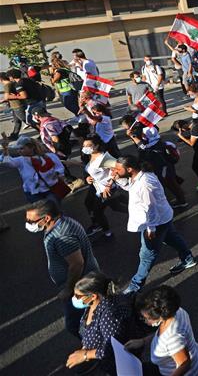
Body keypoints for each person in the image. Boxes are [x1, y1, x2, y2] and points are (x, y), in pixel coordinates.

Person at [113, 155, 196, 294]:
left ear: (130, 169)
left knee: (147, 255)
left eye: (117, 169)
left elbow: (150, 206)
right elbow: (132, 188)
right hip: (163, 218)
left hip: (156, 222)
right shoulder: (138, 177)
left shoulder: (145, 183)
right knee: (172, 238)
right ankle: (188, 259)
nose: (114, 171)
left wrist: (151, 228)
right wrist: (119, 180)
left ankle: (135, 286)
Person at [25, 198, 100, 337]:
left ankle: (93, 345)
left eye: (31, 221)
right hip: (83, 279)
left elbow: (77, 264)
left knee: (76, 324)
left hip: (80, 285)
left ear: (46, 218)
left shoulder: (61, 235)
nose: (28, 224)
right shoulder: (61, 223)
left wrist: (69, 289)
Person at [65, 272, 135, 374]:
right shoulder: (92, 305)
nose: (74, 299)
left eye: (77, 296)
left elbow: (114, 348)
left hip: (111, 366)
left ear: (93, 296)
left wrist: (85, 355)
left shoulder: (108, 316)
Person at [134, 285, 198, 376]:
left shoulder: (172, 338)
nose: (145, 321)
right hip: (196, 358)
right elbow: (161, 335)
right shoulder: (176, 312)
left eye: (146, 318)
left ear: (160, 316)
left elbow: (184, 364)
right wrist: (143, 341)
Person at [78, 134, 128, 237]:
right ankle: (99, 225)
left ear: (96, 146)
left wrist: (109, 185)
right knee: (91, 203)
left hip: (106, 189)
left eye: (88, 145)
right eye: (84, 145)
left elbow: (119, 170)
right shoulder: (90, 155)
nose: (85, 148)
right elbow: (90, 169)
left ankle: (107, 232)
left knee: (99, 211)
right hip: (96, 187)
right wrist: (87, 178)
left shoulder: (104, 158)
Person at [1, 134, 66, 202]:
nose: (19, 151)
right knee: (43, 208)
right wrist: (5, 148)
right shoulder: (21, 160)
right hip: (33, 192)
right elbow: (6, 162)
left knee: (53, 206)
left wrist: (58, 173)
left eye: (22, 148)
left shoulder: (49, 156)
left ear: (32, 147)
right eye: (18, 149)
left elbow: (59, 167)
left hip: (51, 188)